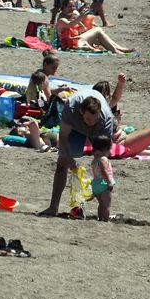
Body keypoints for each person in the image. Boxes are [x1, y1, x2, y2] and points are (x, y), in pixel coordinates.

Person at [39, 88, 117, 217]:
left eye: (94, 119)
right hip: (75, 128)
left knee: (102, 165)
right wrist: (69, 158)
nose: (91, 123)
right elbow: (63, 136)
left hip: (99, 132)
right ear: (81, 112)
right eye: (88, 119)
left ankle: (103, 210)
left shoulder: (105, 119)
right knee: (62, 162)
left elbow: (106, 152)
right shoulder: (71, 108)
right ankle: (53, 207)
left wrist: (102, 174)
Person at [54, 0, 131, 54]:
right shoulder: (61, 19)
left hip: (77, 40)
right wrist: (80, 17)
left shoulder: (71, 15)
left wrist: (83, 23)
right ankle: (116, 50)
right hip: (71, 44)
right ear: (63, 7)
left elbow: (80, 29)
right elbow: (70, 25)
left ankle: (118, 48)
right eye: (70, 6)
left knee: (99, 35)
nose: (72, 8)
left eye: (73, 6)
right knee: (98, 30)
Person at [88, 136, 115, 221]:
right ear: (105, 149)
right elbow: (103, 171)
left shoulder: (94, 160)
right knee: (106, 205)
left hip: (95, 184)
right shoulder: (103, 159)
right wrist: (109, 182)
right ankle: (106, 220)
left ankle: (100, 218)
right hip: (103, 184)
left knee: (101, 204)